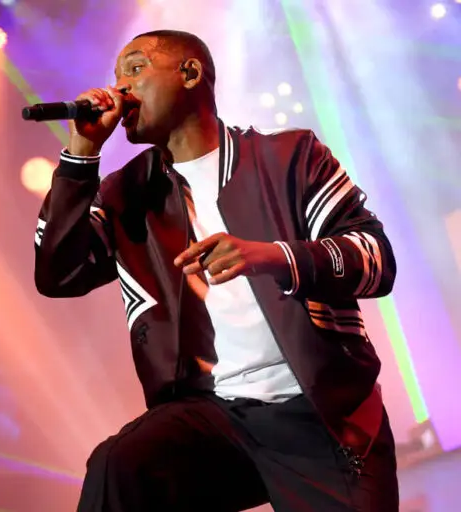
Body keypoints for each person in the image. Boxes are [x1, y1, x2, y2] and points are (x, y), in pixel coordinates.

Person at [33, 29, 398, 512]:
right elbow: (57, 275)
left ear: (190, 73)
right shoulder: (127, 193)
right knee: (121, 464)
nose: (119, 89)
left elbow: (375, 259)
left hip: (320, 414)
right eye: (116, 76)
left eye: (136, 69)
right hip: (211, 415)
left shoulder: (289, 157)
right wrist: (81, 154)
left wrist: (272, 256)